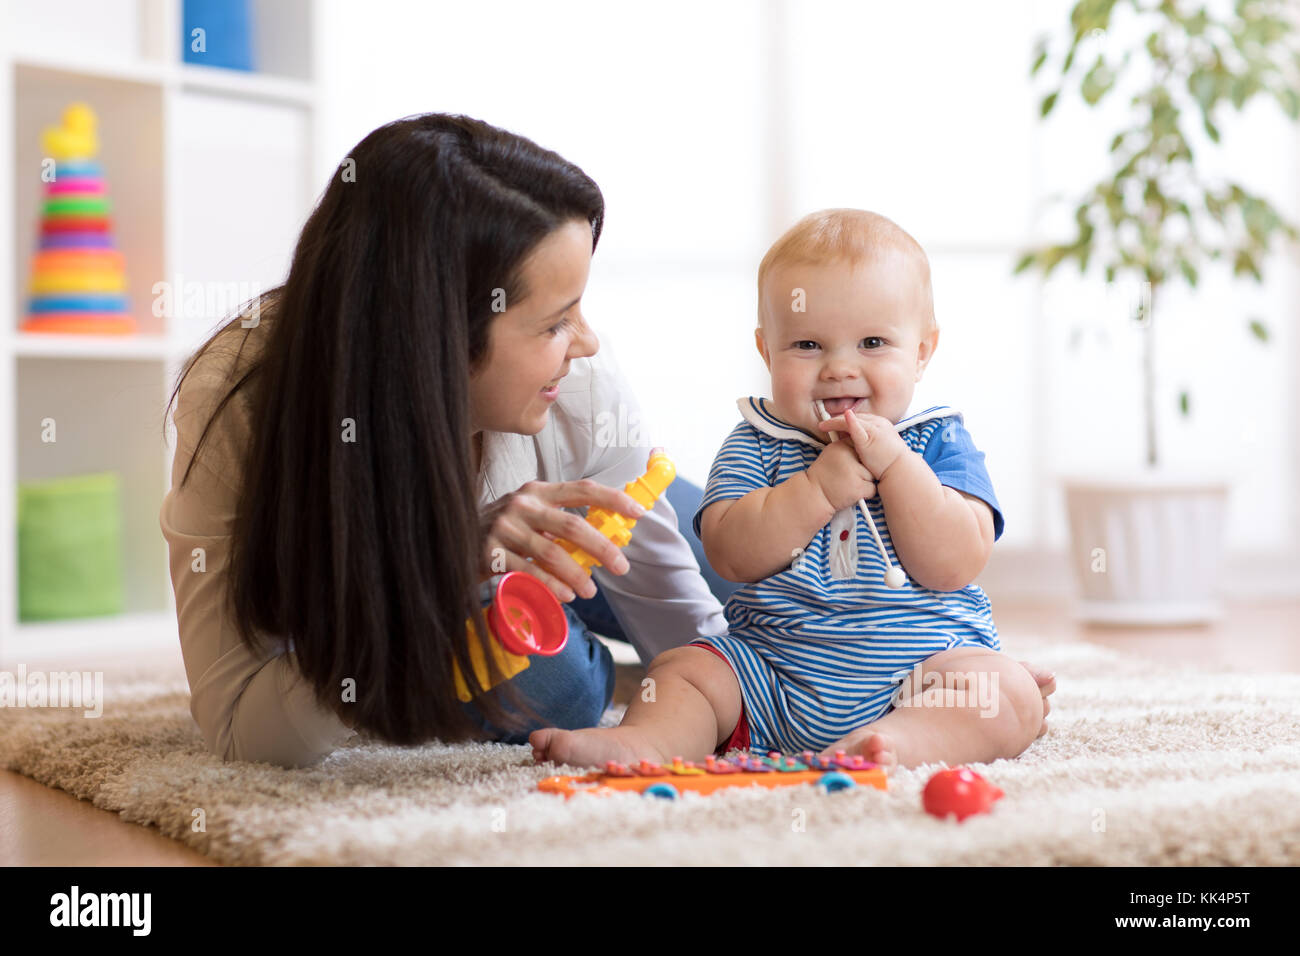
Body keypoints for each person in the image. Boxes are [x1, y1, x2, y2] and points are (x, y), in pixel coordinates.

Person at [159, 113, 728, 769]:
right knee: (554, 681)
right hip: (454, 611)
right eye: (553, 323)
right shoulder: (241, 400)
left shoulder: (582, 388)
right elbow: (239, 728)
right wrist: (437, 572)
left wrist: (716, 696)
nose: (588, 343)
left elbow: (688, 634)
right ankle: (593, 665)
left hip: (589, 528)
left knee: (781, 579)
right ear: (439, 343)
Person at [530, 209, 1057, 772]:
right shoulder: (757, 441)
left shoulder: (938, 438)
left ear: (923, 351)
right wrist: (815, 489)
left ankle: (893, 745)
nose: (838, 368)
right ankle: (647, 743)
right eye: (807, 345)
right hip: (772, 675)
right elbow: (730, 555)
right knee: (684, 672)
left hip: (919, 674)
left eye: (873, 342)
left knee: (1007, 694)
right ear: (766, 351)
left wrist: (898, 467)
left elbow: (955, 563)